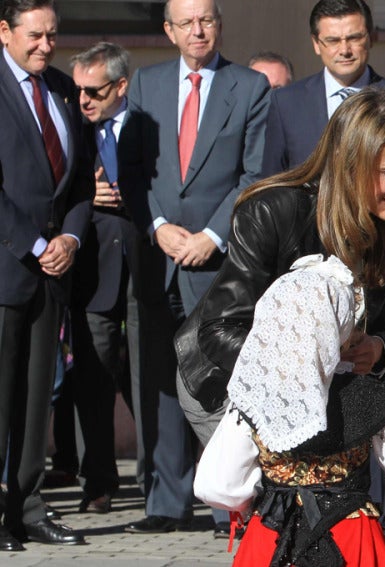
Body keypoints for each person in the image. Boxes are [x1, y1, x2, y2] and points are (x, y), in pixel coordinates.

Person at [176, 88, 385, 560]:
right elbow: (219, 329)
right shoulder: (272, 209)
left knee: (323, 510)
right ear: (352, 163)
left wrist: (375, 348)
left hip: (331, 389)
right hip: (226, 383)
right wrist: (305, 367)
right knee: (279, 509)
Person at [205, 252, 385, 567]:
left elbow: (217, 485)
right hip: (349, 535)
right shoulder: (367, 394)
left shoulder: (252, 399)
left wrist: (271, 492)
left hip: (271, 537)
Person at [117, 0, 270, 536]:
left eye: (206, 19)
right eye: (186, 22)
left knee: (219, 381)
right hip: (157, 258)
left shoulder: (249, 87)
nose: (198, 30)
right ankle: (166, 501)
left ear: (218, 24)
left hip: (218, 261)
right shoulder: (145, 85)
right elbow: (130, 171)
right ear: (169, 31)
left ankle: (227, 501)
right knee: (158, 379)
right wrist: (157, 225)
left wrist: (212, 234)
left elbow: (255, 173)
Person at [0, 0, 92, 549]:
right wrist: (35, 244)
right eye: (35, 35)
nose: (46, 46)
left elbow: (80, 179)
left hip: (52, 269)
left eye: (53, 35)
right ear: (4, 31)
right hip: (9, 266)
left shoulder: (60, 87)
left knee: (37, 398)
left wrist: (69, 239)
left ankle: (28, 506)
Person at [68, 40, 139, 516]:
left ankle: (164, 476)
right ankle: (98, 479)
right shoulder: (71, 128)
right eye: (79, 91)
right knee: (92, 379)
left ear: (120, 86)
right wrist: (83, 193)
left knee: (148, 378)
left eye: (94, 91)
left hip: (144, 267)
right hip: (91, 272)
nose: (84, 101)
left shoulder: (147, 125)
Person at [261, 0, 385, 177]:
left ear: (371, 38)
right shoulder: (286, 104)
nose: (345, 50)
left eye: (354, 38)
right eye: (333, 40)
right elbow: (272, 181)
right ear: (316, 43)